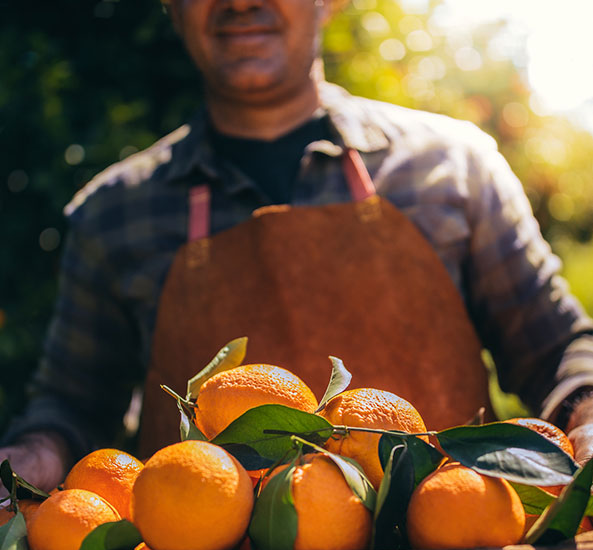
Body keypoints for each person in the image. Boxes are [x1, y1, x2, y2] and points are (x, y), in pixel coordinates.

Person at [2, 0, 593, 493]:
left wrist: (587, 415)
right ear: (172, 7)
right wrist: (26, 461)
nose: (240, 3)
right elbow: (72, 408)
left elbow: (556, 348)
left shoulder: (451, 169)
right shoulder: (116, 214)